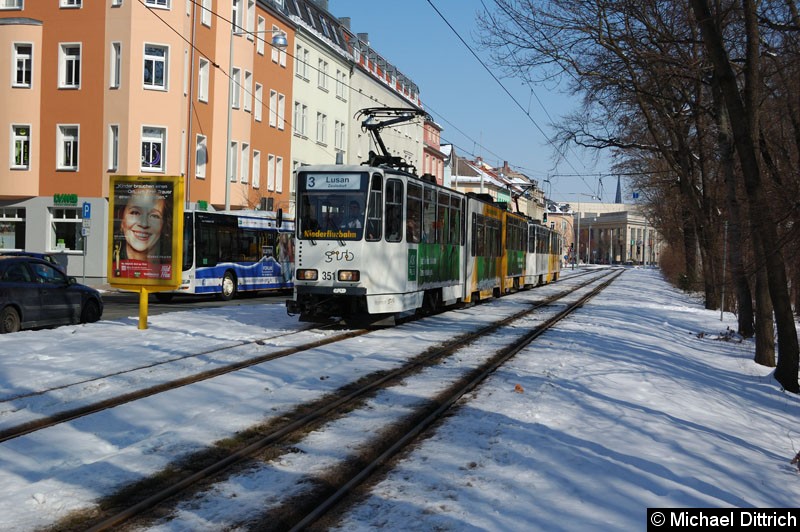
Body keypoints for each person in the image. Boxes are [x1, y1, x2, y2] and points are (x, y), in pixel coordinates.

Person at [113, 184, 172, 280]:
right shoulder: (114, 265)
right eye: (135, 212)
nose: (144, 224)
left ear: (163, 225)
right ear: (122, 220)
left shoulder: (171, 267)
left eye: (154, 216)